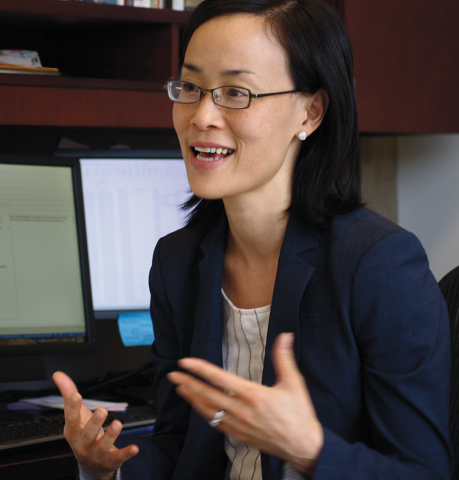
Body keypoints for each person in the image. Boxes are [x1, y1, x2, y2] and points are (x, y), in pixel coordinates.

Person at [53, 0, 453, 478]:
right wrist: (106, 468)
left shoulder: (378, 264)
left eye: (236, 92)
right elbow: (181, 447)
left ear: (311, 111)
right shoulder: (177, 261)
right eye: (191, 87)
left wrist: (308, 450)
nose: (202, 115)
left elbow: (424, 471)